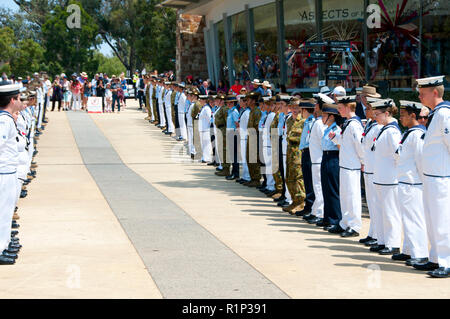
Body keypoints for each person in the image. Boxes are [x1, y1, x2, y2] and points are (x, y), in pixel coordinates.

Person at [415, 75, 450, 278]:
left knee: (442, 221)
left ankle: (446, 262)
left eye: (423, 92)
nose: (419, 96)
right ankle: (436, 258)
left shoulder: (444, 114)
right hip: (431, 176)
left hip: (441, 177)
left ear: (434, 92)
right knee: (432, 220)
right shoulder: (436, 114)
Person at [394, 100, 429, 266]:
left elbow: (421, 162)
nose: (401, 118)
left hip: (413, 184)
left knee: (415, 219)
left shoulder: (418, 135)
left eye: (403, 115)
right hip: (405, 182)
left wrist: (422, 183)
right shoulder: (408, 133)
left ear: (413, 115)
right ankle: (409, 250)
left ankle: (420, 253)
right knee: (407, 220)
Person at [370, 99, 402, 255]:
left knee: (390, 212)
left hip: (389, 179)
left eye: (377, 114)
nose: (375, 116)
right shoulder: (383, 129)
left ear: (387, 113)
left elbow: (398, 154)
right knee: (380, 211)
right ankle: (382, 240)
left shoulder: (392, 131)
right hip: (380, 178)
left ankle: (393, 243)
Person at [329, 95, 364, 236]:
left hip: (352, 166)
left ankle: (354, 225)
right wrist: (335, 138)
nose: (339, 111)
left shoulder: (355, 124)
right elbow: (346, 143)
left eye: (340, 108)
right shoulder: (348, 123)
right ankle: (345, 222)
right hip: (345, 165)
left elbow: (360, 145)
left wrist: (363, 161)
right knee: (345, 196)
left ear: (349, 107)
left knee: (353, 196)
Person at [0, 83, 23, 265]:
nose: (21, 101)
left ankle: (4, 244)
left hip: (8, 171)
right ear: (12, 100)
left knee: (6, 212)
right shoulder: (4, 121)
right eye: (19, 98)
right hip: (3, 173)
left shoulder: (7, 119)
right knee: (2, 213)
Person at [319, 102, 343, 230]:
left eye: (324, 115)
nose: (322, 117)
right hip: (325, 156)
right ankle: (327, 217)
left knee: (333, 189)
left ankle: (335, 219)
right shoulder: (327, 129)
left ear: (332, 116)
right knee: (325, 188)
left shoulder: (336, 130)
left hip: (333, 158)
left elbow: (340, 147)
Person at [225, 95, 240, 180]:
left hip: (234, 134)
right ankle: (233, 172)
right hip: (230, 133)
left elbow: (237, 124)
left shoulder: (234, 111)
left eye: (230, 103)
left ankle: (235, 173)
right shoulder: (230, 111)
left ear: (233, 103)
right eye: (228, 103)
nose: (229, 104)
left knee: (234, 155)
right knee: (232, 155)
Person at [198, 94, 213, 163]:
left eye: (201, 100)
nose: (200, 101)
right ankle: (204, 157)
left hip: (206, 129)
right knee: (203, 144)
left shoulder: (207, 109)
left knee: (207, 144)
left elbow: (210, 119)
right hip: (202, 129)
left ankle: (207, 157)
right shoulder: (204, 108)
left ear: (204, 100)